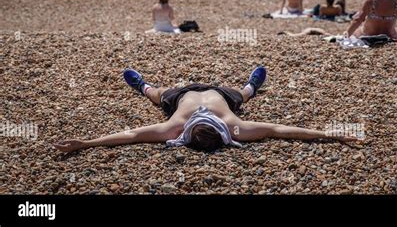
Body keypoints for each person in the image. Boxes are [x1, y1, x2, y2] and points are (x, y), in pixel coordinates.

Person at [53, 66, 359, 153]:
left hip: (186, 96)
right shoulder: (233, 125)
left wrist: (87, 143)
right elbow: (281, 130)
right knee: (242, 95)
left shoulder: (173, 128)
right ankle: (253, 84)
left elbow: (131, 135)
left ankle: (142, 85)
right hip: (220, 94)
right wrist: (329, 134)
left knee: (159, 95)